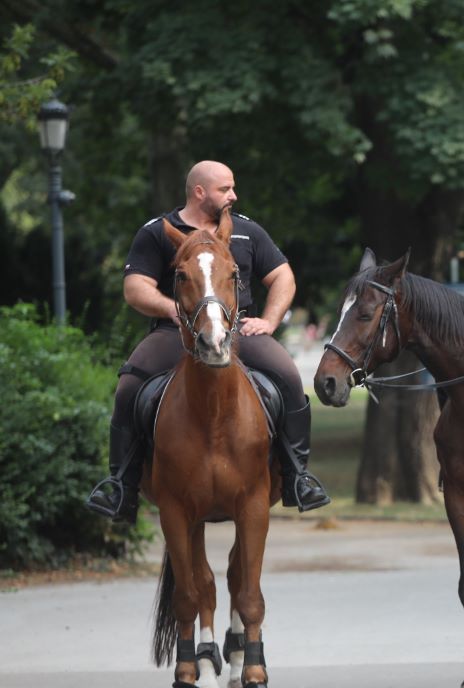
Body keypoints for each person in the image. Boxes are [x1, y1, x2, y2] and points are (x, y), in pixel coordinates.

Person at [86, 160, 330, 522]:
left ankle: (298, 476)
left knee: (291, 379)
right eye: (225, 189)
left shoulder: (246, 231)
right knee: (128, 388)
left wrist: (269, 320)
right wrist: (172, 309)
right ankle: (120, 485)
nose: (233, 195)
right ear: (199, 192)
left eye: (232, 188)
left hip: (240, 331)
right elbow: (135, 287)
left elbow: (283, 277)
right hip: (176, 331)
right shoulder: (157, 232)